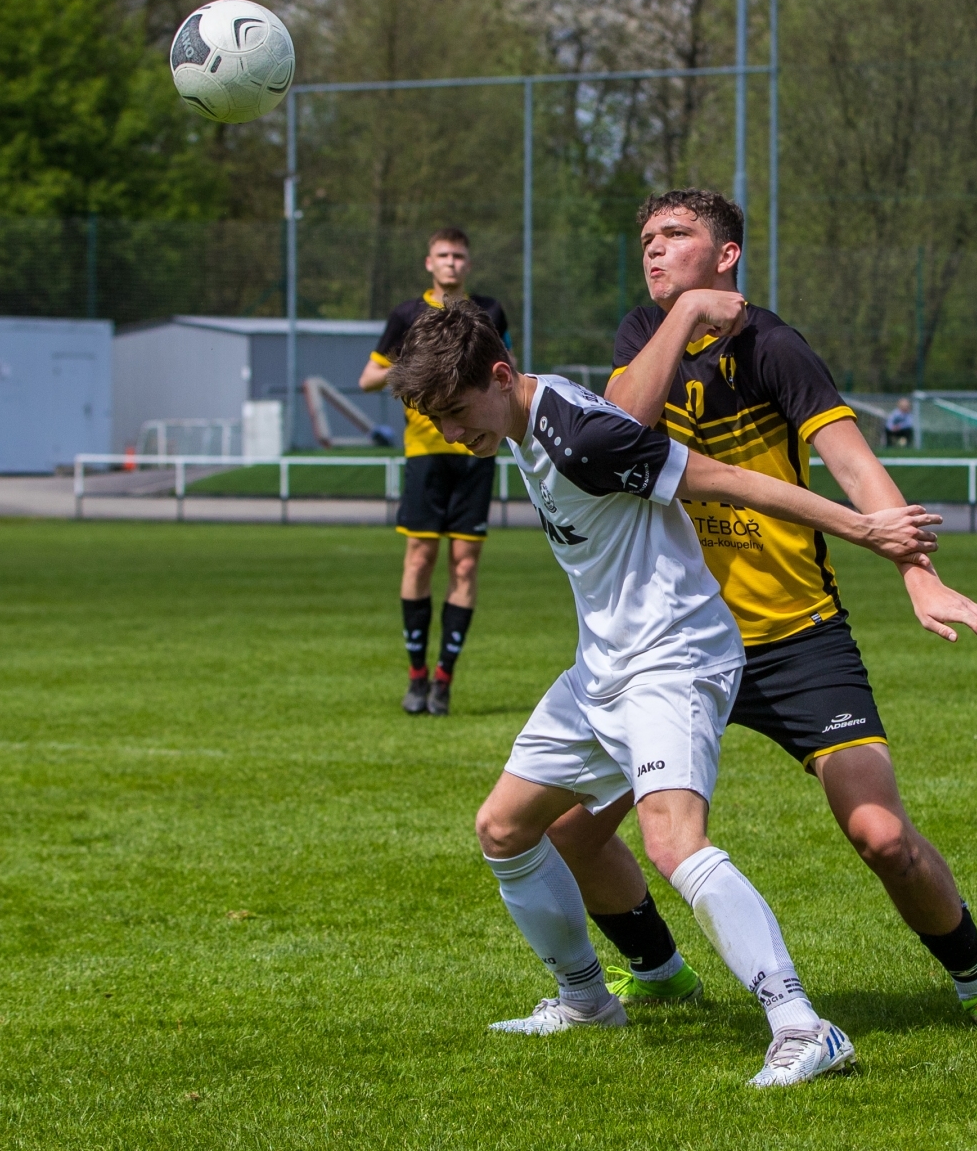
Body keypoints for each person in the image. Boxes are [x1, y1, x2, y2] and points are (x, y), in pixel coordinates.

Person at [385, 299, 946, 1086]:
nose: (450, 432)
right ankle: (587, 1000)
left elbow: (731, 481)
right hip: (602, 667)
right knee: (504, 827)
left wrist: (867, 531)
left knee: (674, 842)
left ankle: (802, 1026)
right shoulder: (523, 419)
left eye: (455, 412)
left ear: (502, 376)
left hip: (674, 657)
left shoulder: (581, 437)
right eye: (436, 419)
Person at [544, 189, 977, 1038]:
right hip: (676, 647)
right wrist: (684, 317)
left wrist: (918, 574)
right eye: (647, 237)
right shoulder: (643, 336)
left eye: (677, 235)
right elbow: (622, 420)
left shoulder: (773, 347)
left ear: (726, 254)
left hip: (794, 639)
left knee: (882, 835)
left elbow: (854, 465)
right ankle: (660, 974)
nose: (654, 248)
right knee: (571, 830)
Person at [359, 228, 509, 717]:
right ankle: (416, 676)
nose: (451, 263)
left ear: (469, 263)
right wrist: (421, 363)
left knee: (464, 565)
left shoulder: (489, 312)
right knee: (419, 559)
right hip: (424, 452)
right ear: (429, 262)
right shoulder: (407, 316)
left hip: (475, 453)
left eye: (459, 256)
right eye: (443, 255)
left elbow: (507, 370)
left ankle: (444, 680)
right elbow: (368, 378)